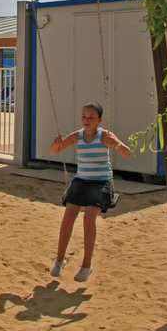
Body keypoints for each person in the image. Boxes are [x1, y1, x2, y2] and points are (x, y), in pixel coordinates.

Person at [48, 102, 131, 282]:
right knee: (68, 218)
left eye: (91, 118)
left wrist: (117, 145)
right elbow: (55, 151)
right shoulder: (77, 136)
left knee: (88, 219)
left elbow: (126, 152)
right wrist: (56, 144)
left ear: (99, 120)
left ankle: (86, 265)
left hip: (100, 182)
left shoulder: (105, 136)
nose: (87, 120)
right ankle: (59, 261)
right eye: (84, 117)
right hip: (81, 180)